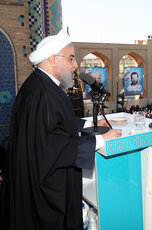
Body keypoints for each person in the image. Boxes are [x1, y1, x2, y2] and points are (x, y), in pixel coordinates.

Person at [0, 30, 122, 230]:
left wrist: (87, 125)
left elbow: (49, 125)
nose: (75, 65)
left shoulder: (39, 85)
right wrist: (101, 140)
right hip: (44, 195)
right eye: (71, 58)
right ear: (52, 59)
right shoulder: (43, 93)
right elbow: (52, 146)